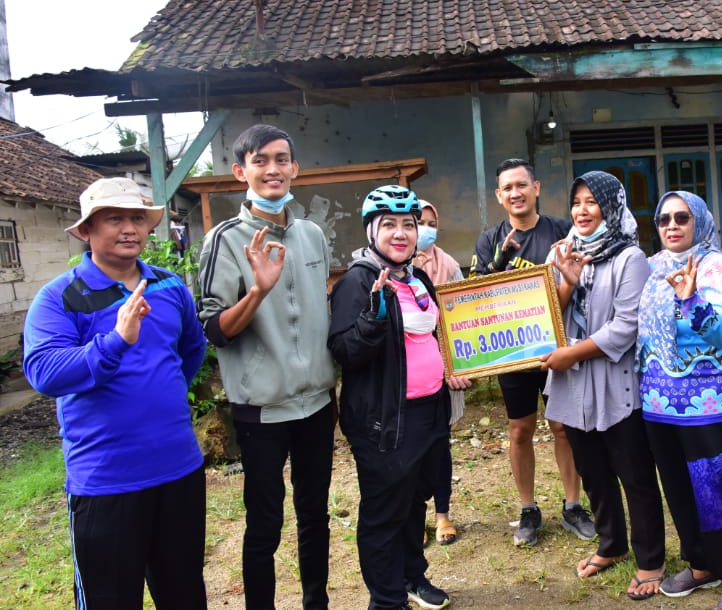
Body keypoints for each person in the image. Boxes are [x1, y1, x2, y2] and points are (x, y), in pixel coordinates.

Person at [23, 177, 208, 609]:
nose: (129, 229)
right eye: (114, 219)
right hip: (106, 481)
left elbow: (190, 349)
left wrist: (159, 395)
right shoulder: (60, 298)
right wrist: (115, 341)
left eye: (137, 219)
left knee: (183, 592)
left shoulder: (168, 286)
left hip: (178, 469)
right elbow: (45, 373)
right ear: (87, 230)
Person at [197, 124, 337, 609]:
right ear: (241, 172)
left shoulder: (313, 234)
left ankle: (315, 601)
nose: (272, 169)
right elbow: (215, 330)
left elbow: (320, 310)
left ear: (295, 168)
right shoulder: (224, 241)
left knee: (314, 514)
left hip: (318, 402)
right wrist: (257, 290)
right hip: (261, 408)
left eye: (281, 159)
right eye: (260, 161)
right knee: (265, 523)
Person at [329, 185, 472, 610]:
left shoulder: (418, 277)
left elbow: (434, 334)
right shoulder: (357, 281)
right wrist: (373, 316)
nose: (401, 233)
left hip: (429, 413)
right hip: (385, 421)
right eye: (388, 224)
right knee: (385, 511)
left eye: (408, 225)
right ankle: (386, 600)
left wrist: (452, 366)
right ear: (372, 230)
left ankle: (412, 577)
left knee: (415, 503)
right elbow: (345, 352)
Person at [541, 171, 665, 601]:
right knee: (593, 471)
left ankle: (651, 559)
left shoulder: (631, 259)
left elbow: (625, 328)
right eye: (576, 202)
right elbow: (546, 319)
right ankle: (612, 544)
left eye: (592, 201)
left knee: (634, 474)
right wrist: (567, 281)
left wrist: (571, 355)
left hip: (616, 383)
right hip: (574, 385)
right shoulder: (563, 253)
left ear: (611, 206)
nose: (582, 210)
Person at [636, 190, 722, 609]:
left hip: (711, 405)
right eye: (664, 219)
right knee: (681, 490)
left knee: (718, 489)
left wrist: (691, 300)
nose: (671, 226)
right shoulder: (651, 269)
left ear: (699, 221)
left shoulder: (718, 268)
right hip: (659, 405)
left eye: (681, 218)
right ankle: (701, 564)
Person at [470, 158, 593, 547]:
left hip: (557, 349)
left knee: (563, 427)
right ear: (499, 196)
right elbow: (476, 299)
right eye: (507, 188)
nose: (515, 193)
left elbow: (582, 280)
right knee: (520, 429)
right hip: (514, 354)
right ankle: (528, 509)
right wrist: (499, 262)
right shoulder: (489, 240)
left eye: (521, 185)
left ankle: (573, 505)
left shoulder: (562, 230)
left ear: (536, 187)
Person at [413, 199, 465, 546]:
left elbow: (461, 320)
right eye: (419, 222)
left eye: (432, 222)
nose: (426, 229)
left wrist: (457, 365)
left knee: (440, 447)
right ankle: (414, 515)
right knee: (411, 451)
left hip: (445, 372)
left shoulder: (448, 265)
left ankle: (443, 514)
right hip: (410, 377)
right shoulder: (391, 270)